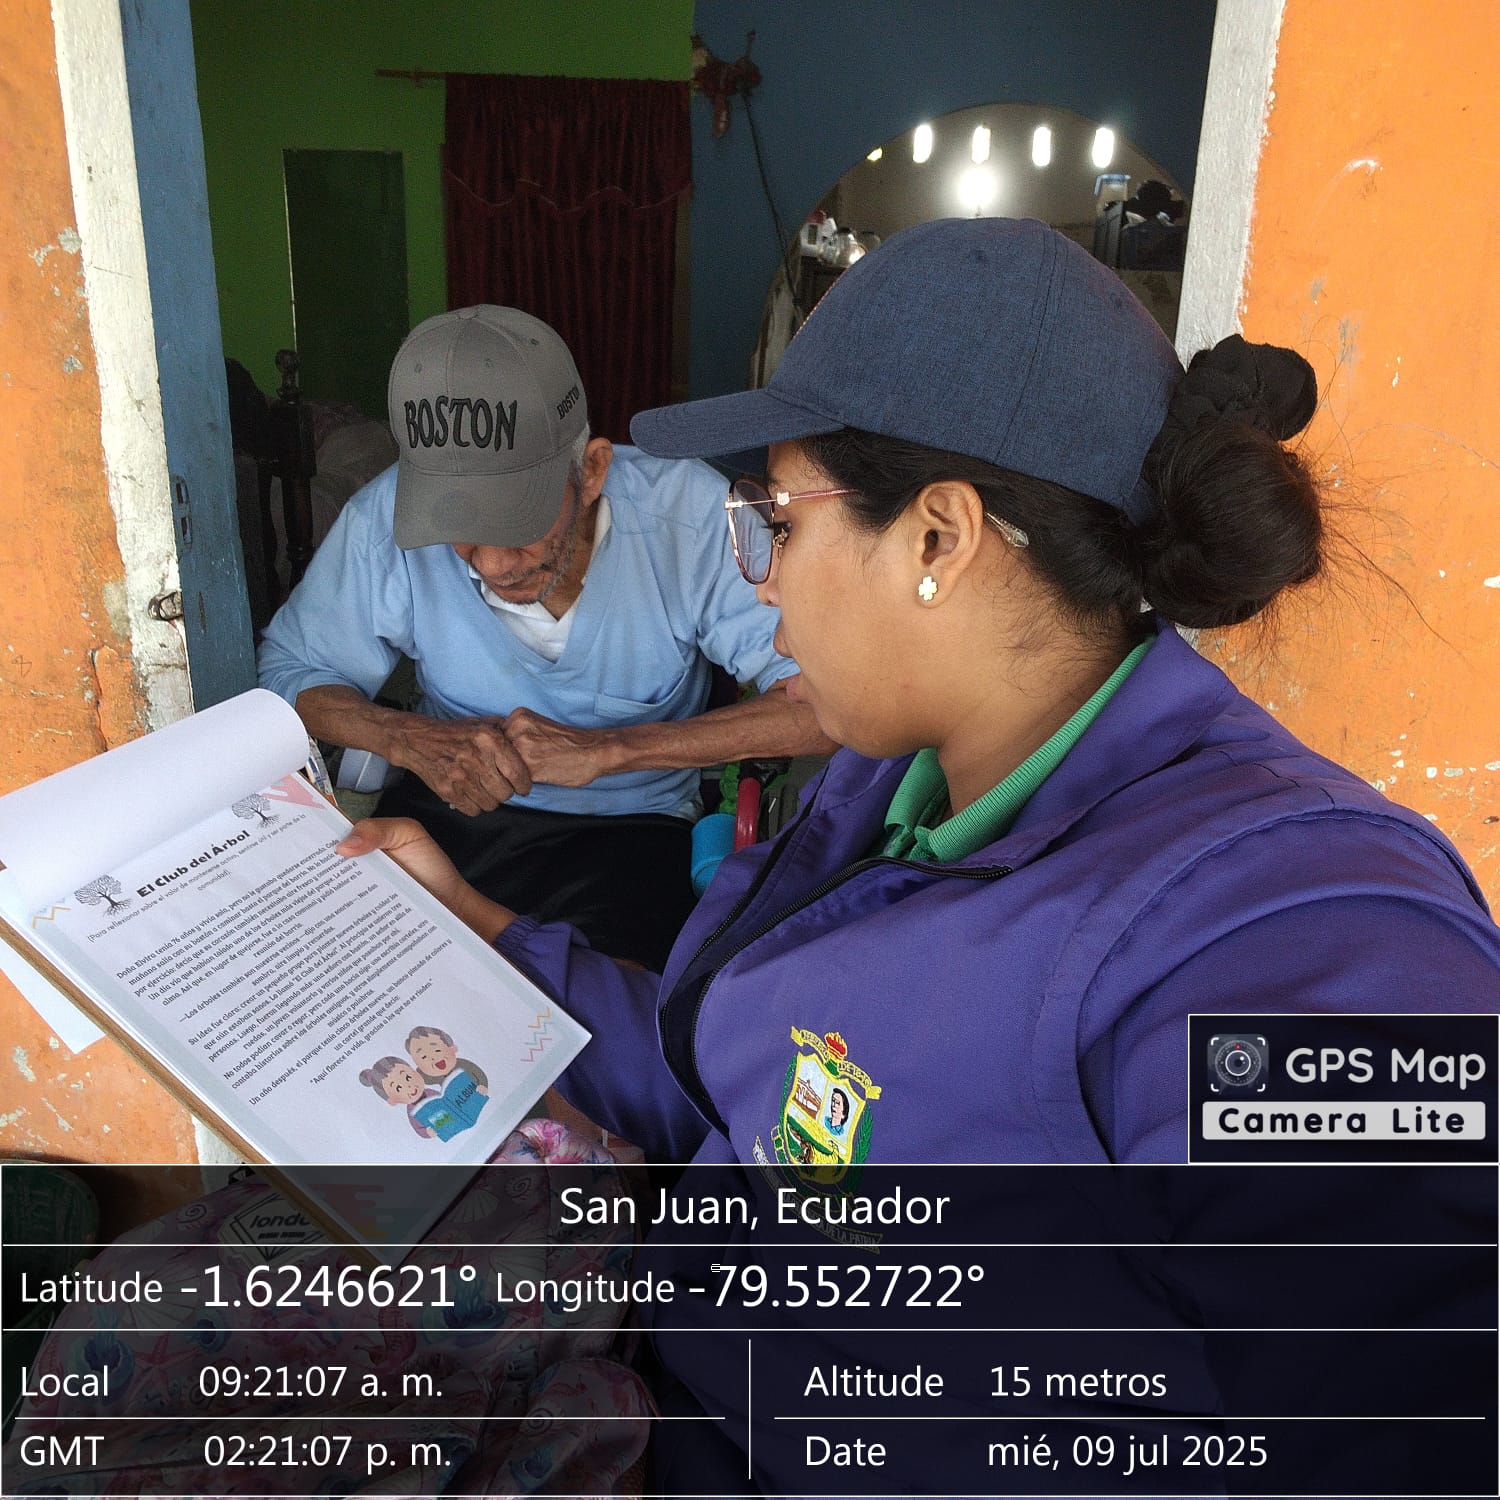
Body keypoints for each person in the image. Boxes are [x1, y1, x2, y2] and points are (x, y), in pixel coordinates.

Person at [338, 219, 1500, 1487]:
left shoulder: (1289, 915)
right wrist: (475, 922)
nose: (763, 585)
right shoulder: (892, 783)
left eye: (778, 523)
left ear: (938, 538)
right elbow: (736, 1089)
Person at [258, 306, 828, 967]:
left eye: (519, 521)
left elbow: (824, 703)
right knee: (361, 971)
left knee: (602, 1001)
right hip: (451, 813)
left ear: (592, 471)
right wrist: (404, 737)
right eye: (459, 530)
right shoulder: (383, 517)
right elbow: (289, 673)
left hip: (630, 831)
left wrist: (610, 750)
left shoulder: (690, 519)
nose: (493, 564)